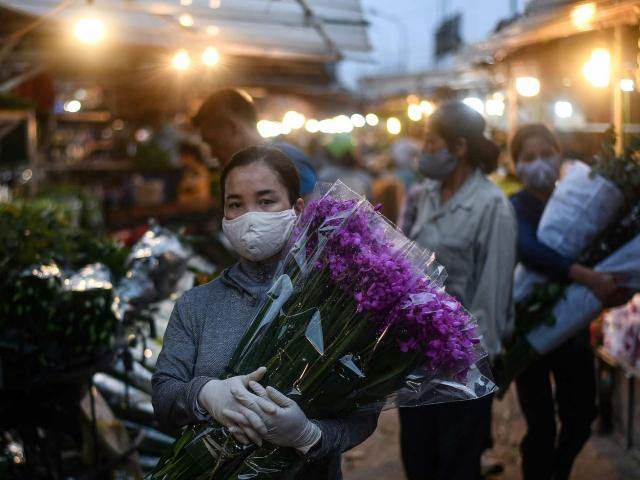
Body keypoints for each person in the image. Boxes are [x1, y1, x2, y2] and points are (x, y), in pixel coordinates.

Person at [152, 146, 378, 479]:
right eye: (235, 204)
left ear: (297, 209)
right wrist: (205, 393)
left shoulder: (335, 305)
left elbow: (363, 414)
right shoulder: (196, 305)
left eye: (266, 201)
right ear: (224, 214)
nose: (250, 216)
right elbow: (164, 395)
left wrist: (308, 435)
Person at [399, 101, 517, 480]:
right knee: (418, 458)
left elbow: (493, 294)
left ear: (459, 147)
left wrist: (475, 365)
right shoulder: (425, 195)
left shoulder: (491, 205)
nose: (424, 151)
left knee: (457, 464)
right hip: (414, 356)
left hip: (462, 363)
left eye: (431, 142)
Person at [510, 124, 619, 480]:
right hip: (529, 329)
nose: (540, 163)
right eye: (529, 158)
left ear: (560, 156)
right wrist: (588, 277)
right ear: (516, 166)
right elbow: (530, 252)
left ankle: (558, 472)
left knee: (581, 416)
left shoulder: (583, 204)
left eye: (546, 153)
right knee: (540, 426)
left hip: (572, 329)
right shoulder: (515, 206)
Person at [192, 89, 317, 197]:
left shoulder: (286, 159)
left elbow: (313, 219)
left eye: (212, 142)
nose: (213, 153)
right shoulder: (247, 167)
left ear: (232, 128)